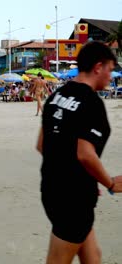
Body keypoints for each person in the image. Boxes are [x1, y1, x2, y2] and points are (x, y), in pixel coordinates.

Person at [36, 41, 122, 263]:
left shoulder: (57, 96)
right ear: (98, 67)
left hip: (53, 189)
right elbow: (85, 154)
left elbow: (42, 145)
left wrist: (85, 176)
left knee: (93, 257)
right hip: (73, 199)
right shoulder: (92, 103)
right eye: (111, 70)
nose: (111, 76)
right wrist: (109, 183)